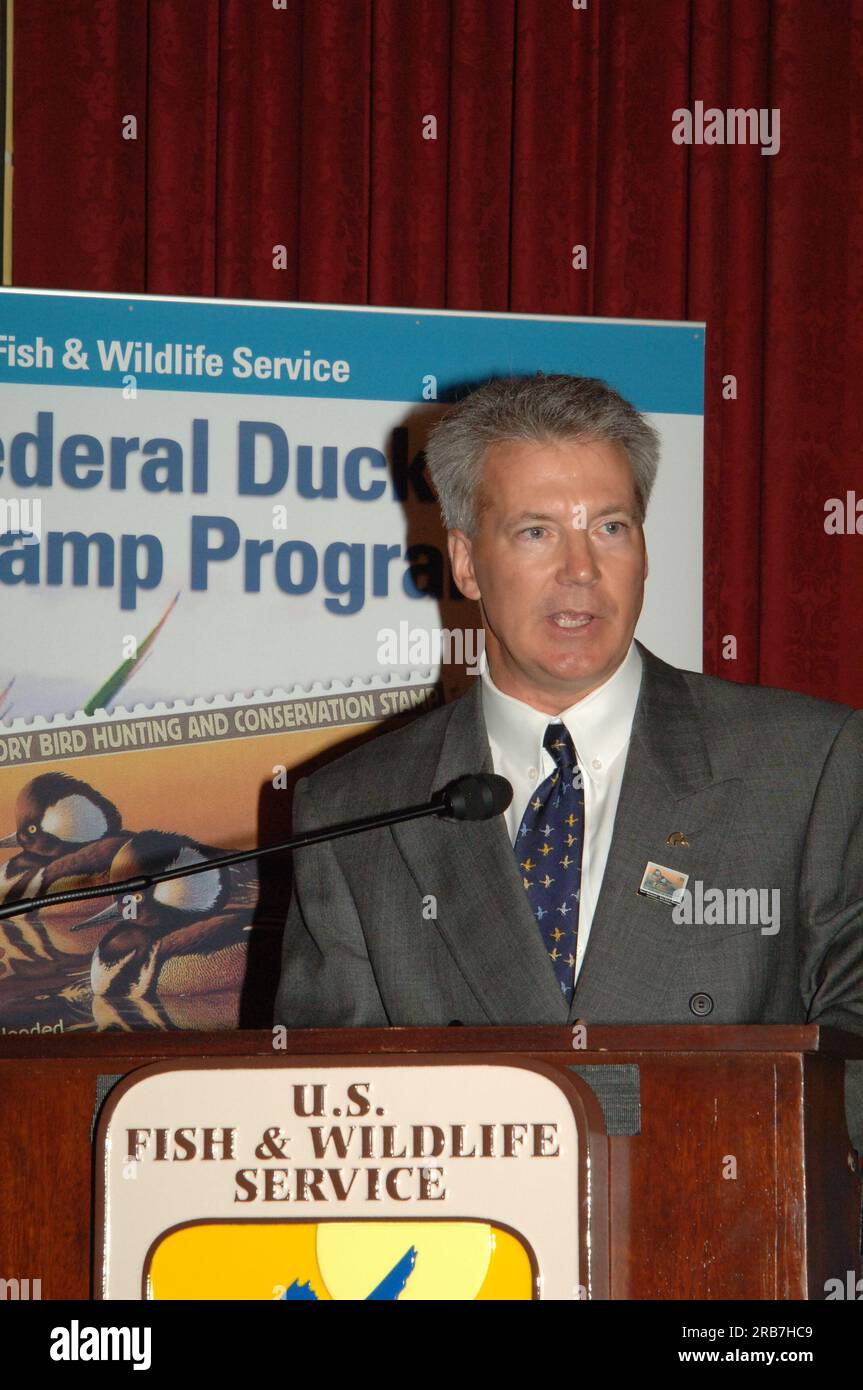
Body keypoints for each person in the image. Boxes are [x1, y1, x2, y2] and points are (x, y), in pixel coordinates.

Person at [274, 374, 863, 1153]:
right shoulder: (354, 809)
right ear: (465, 562)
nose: (580, 569)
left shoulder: (806, 765)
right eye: (535, 532)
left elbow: (851, 1056)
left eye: (610, 527)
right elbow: (324, 1116)